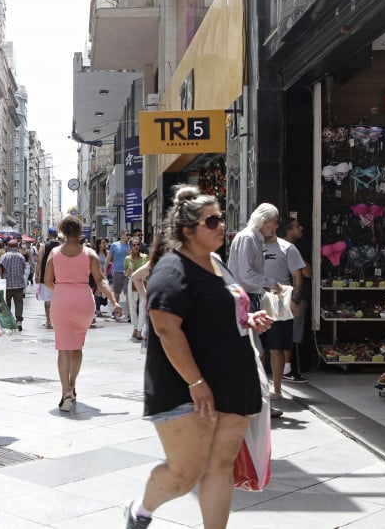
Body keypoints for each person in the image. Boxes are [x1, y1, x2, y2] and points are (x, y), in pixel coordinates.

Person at [123, 185, 272, 529]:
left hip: (233, 382)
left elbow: (221, 312)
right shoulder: (172, 270)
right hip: (184, 387)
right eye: (212, 221)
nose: (222, 226)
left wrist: (249, 319)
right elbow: (165, 327)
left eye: (221, 218)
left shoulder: (218, 264)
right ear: (188, 230)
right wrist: (196, 382)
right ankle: (141, 509)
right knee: (184, 473)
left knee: (220, 466)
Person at [44, 215, 121, 412]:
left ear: (63, 232)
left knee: (63, 348)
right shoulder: (90, 254)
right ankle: (72, 386)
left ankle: (65, 392)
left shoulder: (54, 253)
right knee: (77, 347)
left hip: (61, 301)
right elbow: (101, 281)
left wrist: (62, 291)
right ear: (80, 232)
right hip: (83, 302)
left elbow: (47, 281)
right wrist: (114, 301)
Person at [228, 202, 284, 419]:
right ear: (264, 220)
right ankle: (256, 403)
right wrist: (270, 283)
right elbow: (246, 273)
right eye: (274, 222)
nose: (275, 227)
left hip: (249, 297)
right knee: (255, 353)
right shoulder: (248, 238)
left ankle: (254, 401)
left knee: (254, 352)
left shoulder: (253, 238)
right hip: (244, 298)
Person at [260, 223, 304, 399]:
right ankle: (260, 389)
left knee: (276, 348)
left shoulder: (288, 248)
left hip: (279, 302)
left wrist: (294, 300)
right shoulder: (252, 245)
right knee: (259, 348)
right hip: (256, 299)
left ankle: (276, 390)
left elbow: (298, 276)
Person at [282, 218, 310, 382]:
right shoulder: (290, 248)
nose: (302, 228)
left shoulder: (280, 246)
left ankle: (285, 368)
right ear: (289, 231)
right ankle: (287, 369)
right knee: (291, 333)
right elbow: (306, 273)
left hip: (283, 295)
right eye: (297, 226)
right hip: (293, 297)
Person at [0, 238, 26, 331]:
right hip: (19, 284)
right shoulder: (21, 256)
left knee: (6, 303)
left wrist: (1, 278)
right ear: (17, 246)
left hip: (7, 284)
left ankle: (8, 322)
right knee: (19, 303)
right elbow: (23, 269)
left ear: (8, 247)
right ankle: (19, 321)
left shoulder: (4, 257)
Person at [34, 227, 60, 329]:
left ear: (49, 235)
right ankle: (56, 320)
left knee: (47, 300)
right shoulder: (61, 246)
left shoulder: (44, 246)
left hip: (46, 276)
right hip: (59, 277)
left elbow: (39, 261)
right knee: (57, 300)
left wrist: (37, 274)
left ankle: (48, 321)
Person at [124, 238, 149, 340]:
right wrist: (128, 271)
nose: (136, 247)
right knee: (132, 306)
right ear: (130, 246)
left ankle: (139, 330)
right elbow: (125, 273)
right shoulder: (127, 258)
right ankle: (135, 328)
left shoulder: (145, 257)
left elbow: (147, 271)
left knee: (142, 306)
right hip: (132, 283)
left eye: (138, 245)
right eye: (133, 245)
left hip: (143, 282)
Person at [106, 230, 131, 322]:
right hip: (117, 272)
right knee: (117, 294)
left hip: (128, 273)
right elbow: (109, 257)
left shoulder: (130, 246)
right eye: (127, 234)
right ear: (121, 235)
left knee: (128, 294)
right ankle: (115, 312)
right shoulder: (114, 245)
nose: (128, 236)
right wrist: (104, 270)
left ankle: (130, 314)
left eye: (129, 235)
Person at [94, 238, 110, 316]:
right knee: (99, 291)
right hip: (96, 274)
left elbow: (111, 262)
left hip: (105, 275)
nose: (105, 244)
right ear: (99, 245)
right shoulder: (94, 253)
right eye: (103, 243)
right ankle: (98, 309)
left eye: (105, 243)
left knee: (104, 293)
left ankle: (98, 306)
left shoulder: (107, 253)